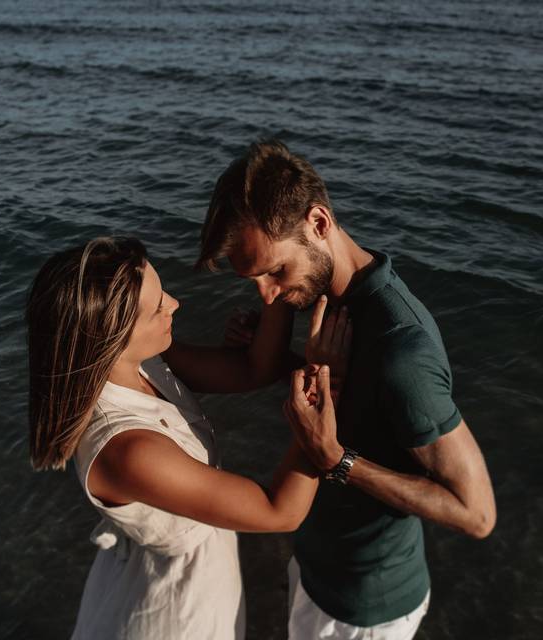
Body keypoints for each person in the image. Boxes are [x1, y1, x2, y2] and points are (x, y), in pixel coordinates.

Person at [197, 140, 497, 640]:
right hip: (318, 569)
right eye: (254, 280)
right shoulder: (325, 294)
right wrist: (294, 364)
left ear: (318, 223)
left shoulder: (401, 351)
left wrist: (337, 459)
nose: (268, 296)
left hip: (365, 608)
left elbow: (477, 513)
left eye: (274, 272)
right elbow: (358, 400)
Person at [25, 236, 349, 640]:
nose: (174, 304)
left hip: (168, 563)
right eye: (157, 306)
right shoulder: (129, 450)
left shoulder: (143, 364)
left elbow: (252, 369)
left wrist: (277, 279)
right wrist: (321, 389)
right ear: (112, 338)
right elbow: (279, 511)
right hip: (178, 608)